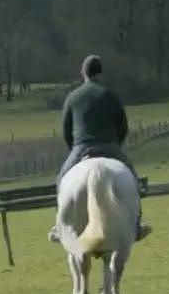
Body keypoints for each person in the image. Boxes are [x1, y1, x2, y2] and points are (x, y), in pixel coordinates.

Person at [48, 54, 151, 243]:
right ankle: (136, 225)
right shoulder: (110, 95)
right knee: (133, 178)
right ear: (100, 73)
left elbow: (65, 130)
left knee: (61, 180)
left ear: (83, 73)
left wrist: (75, 148)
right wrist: (115, 145)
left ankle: (59, 228)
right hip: (109, 146)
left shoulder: (73, 97)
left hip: (81, 147)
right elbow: (123, 126)